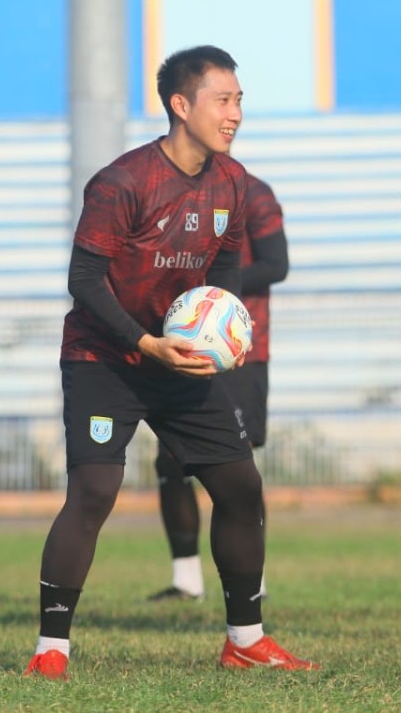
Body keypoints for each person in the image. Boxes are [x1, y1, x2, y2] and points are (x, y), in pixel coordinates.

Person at [24, 45, 316, 680]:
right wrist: (143, 341)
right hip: (105, 358)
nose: (235, 112)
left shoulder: (233, 182)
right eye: (223, 99)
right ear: (182, 106)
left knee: (242, 490)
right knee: (94, 493)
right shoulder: (122, 182)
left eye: (239, 99)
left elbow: (226, 265)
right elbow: (84, 280)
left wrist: (224, 325)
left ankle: (245, 639)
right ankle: (51, 651)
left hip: (182, 363)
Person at [148, 171, 288, 603]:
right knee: (171, 461)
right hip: (183, 350)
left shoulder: (255, 195)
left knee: (237, 469)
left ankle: (253, 585)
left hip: (240, 352)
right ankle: (187, 580)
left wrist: (209, 296)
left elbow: (276, 264)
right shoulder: (169, 198)